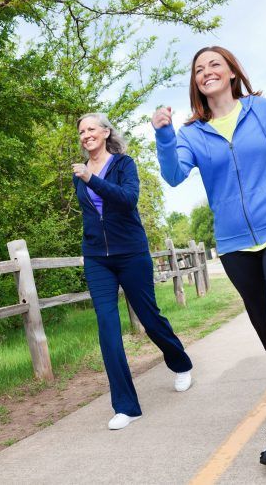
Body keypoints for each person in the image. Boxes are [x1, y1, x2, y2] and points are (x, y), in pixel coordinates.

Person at [151, 46, 266, 469]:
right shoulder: (193, 134)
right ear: (195, 83)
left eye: (215, 64)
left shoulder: (263, 110)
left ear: (233, 72)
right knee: (264, 322)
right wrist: (164, 135)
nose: (207, 72)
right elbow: (174, 175)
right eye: (199, 69)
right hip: (234, 243)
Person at [72, 113, 194, 431]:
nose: (86, 135)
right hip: (98, 259)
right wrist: (88, 250)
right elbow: (90, 216)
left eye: (91, 129)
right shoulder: (79, 173)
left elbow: (128, 201)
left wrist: (91, 179)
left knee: (149, 318)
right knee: (108, 329)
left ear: (105, 131)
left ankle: (180, 362)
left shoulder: (124, 164)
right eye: (81, 131)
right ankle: (126, 406)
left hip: (132, 255)